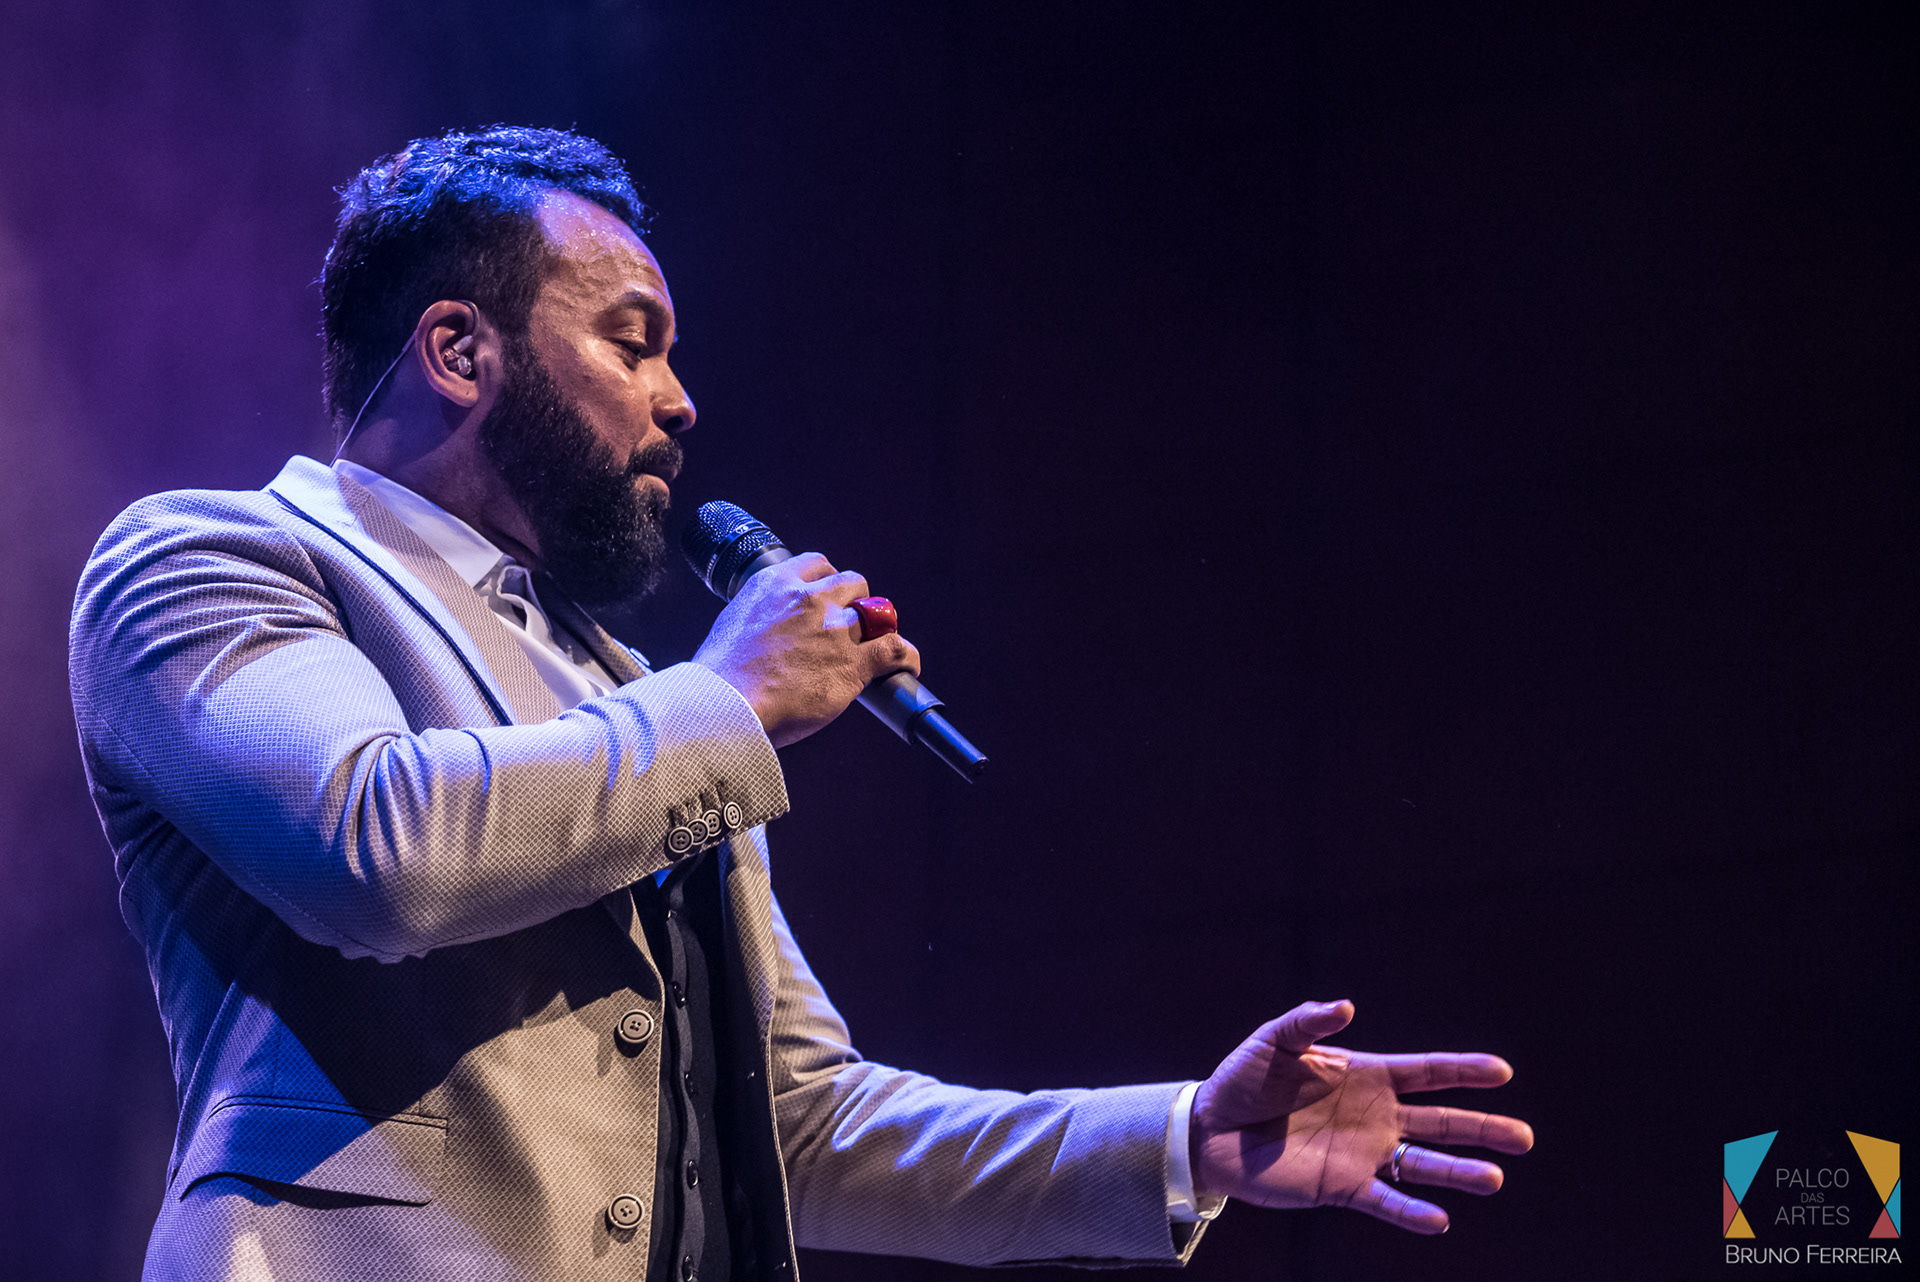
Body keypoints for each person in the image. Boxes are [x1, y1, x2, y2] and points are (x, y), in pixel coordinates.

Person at [69, 126, 1533, 1281]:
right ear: (460, 351)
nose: (681, 398)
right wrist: (733, 695)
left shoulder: (636, 700)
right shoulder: (213, 556)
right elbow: (372, 847)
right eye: (633, 339)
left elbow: (794, 1122)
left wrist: (1183, 1141)